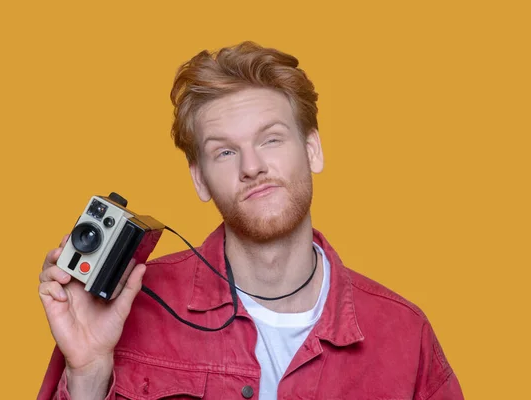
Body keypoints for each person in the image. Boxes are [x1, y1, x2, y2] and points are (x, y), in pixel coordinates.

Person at [38, 41, 464, 400]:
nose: (252, 166)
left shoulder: (405, 336)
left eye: (271, 139)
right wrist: (90, 372)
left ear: (312, 149)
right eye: (225, 151)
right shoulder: (125, 308)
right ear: (200, 179)